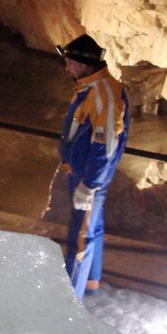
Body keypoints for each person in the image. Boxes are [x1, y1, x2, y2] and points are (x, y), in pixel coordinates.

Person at [56, 33, 129, 301]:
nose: (67, 68)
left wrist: (89, 185)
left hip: (88, 177)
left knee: (81, 235)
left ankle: (69, 299)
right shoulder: (91, 87)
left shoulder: (103, 96)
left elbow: (105, 145)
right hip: (83, 172)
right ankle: (90, 282)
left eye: (70, 63)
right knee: (92, 228)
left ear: (85, 65)